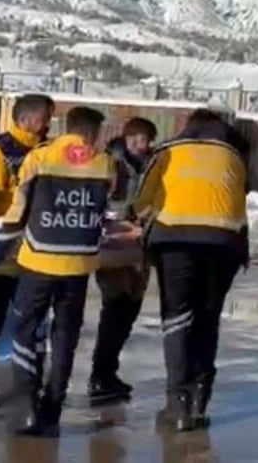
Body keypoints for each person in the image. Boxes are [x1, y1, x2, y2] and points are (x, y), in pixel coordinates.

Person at [0, 106, 137, 437]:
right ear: (92, 133)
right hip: (78, 265)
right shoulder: (105, 164)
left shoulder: (40, 157)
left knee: (26, 331)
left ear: (68, 127)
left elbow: (18, 210)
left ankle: (26, 407)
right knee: (65, 338)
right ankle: (52, 410)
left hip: (39, 260)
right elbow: (106, 210)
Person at [132, 102, 250, 432]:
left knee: (178, 318)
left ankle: (178, 404)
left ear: (189, 125)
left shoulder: (169, 149)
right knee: (207, 318)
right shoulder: (233, 153)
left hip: (175, 239)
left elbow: (141, 200)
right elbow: (240, 195)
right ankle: (199, 400)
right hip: (225, 241)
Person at [0, 93, 55, 409]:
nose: (49, 123)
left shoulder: (50, 150)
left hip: (40, 244)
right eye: (45, 117)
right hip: (4, 241)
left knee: (37, 317)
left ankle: (32, 382)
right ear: (26, 119)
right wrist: (22, 201)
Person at [88, 116, 158, 403]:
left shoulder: (153, 163)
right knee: (115, 306)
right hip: (114, 242)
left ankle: (108, 371)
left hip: (141, 244)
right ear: (127, 139)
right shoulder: (110, 163)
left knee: (130, 308)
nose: (143, 146)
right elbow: (98, 201)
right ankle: (101, 374)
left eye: (147, 141)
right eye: (138, 140)